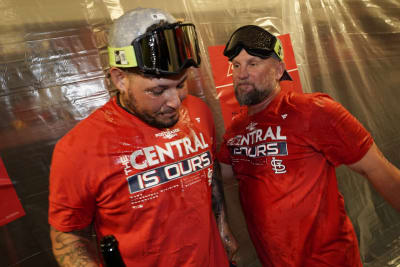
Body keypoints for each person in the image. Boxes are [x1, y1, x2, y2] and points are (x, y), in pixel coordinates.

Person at [48, 8, 237, 267]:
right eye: (158, 90)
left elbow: (209, 167)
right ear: (120, 78)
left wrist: (223, 227)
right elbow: (67, 233)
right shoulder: (79, 148)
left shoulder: (198, 112)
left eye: (181, 84)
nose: (175, 102)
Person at [217, 25, 400, 267]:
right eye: (236, 65)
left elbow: (377, 168)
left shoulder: (312, 110)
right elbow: (216, 177)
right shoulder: (236, 131)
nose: (241, 73)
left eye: (253, 63)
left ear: (278, 70)